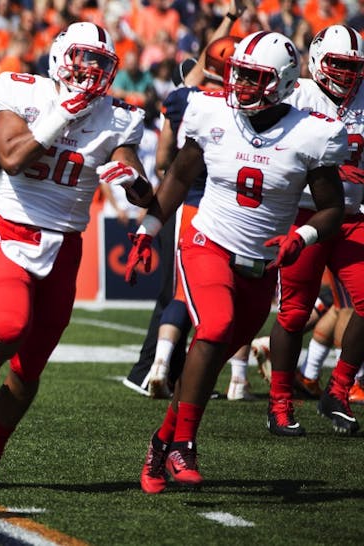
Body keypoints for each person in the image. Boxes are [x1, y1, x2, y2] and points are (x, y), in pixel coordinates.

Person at [128, 30, 347, 494]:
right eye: (239, 74)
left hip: (262, 264)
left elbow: (331, 207)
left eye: (254, 77)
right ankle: (185, 445)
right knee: (213, 327)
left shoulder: (313, 131)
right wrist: (148, 231)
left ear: (285, 83)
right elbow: (180, 175)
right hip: (207, 242)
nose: (241, 85)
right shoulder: (211, 112)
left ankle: (162, 441)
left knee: (212, 356)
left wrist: (302, 235)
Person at [0, 22, 153, 489]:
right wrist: (61, 115)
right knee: (9, 326)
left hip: (65, 244)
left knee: (28, 371)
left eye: (101, 64)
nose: (89, 72)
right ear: (59, 57)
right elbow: (11, 158)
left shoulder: (119, 116)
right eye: (82, 59)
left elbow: (142, 188)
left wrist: (133, 183)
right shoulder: (20, 90)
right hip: (11, 230)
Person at [124, 4, 245, 399]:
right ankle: (162, 369)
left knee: (181, 291)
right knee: (189, 292)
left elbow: (162, 163)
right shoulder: (227, 105)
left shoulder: (189, 99)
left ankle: (165, 369)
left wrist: (228, 22)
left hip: (190, 198)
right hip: (206, 201)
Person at [265, 24, 364, 437]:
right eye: (338, 64)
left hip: (353, 216)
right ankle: (280, 402)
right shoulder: (296, 94)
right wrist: (322, 166)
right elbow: (268, 146)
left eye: (353, 66)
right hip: (304, 214)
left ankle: (338, 389)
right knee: (294, 312)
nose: (346, 74)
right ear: (319, 60)